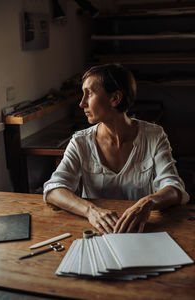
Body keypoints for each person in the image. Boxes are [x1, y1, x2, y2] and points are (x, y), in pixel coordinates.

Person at [43, 63, 189, 234]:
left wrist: (147, 203)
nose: (82, 103)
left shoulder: (154, 136)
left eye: (89, 94)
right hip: (96, 231)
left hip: (142, 231)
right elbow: (54, 189)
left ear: (115, 98)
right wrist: (91, 211)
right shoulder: (81, 141)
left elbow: (174, 188)